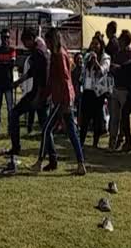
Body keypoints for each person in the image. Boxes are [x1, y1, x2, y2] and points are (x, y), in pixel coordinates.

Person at [32, 28, 86, 175]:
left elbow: (64, 79)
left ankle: (39, 162)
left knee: (47, 129)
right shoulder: (59, 54)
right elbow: (54, 80)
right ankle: (81, 164)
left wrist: (63, 101)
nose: (47, 44)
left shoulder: (59, 55)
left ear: (53, 40)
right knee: (72, 133)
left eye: (48, 41)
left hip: (62, 99)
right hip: (63, 98)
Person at [7, 28, 48, 158]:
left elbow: (43, 77)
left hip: (38, 93)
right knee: (45, 126)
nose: (24, 45)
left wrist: (37, 97)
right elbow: (31, 72)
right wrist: (18, 81)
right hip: (37, 93)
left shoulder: (38, 54)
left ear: (31, 39)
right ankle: (51, 156)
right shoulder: (35, 53)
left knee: (14, 113)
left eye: (25, 41)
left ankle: (16, 147)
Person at [79, 36, 111, 148]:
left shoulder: (105, 57)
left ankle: (95, 143)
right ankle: (81, 141)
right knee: (85, 117)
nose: (94, 46)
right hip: (87, 89)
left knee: (97, 117)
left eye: (96, 44)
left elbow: (102, 71)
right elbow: (83, 71)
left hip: (98, 92)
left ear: (101, 45)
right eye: (92, 44)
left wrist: (96, 61)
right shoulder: (87, 56)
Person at [108, 29, 131, 151]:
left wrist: (118, 68)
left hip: (125, 89)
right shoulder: (118, 53)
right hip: (116, 87)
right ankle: (112, 142)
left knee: (123, 117)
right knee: (114, 117)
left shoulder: (130, 53)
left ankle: (122, 139)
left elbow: (128, 69)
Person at [0, 28, 16, 135]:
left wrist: (1, 64)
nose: (5, 39)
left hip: (8, 83)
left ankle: (10, 129)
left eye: (7, 37)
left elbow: (12, 64)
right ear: (1, 38)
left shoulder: (12, 50)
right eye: (3, 37)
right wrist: (5, 64)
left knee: (10, 108)